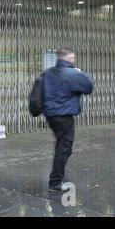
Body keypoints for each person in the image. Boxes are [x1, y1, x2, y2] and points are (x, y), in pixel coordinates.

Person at [43, 48, 93, 191]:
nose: (74, 60)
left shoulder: (48, 73)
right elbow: (88, 87)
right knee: (63, 148)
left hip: (51, 115)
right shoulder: (72, 73)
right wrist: (80, 73)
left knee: (64, 146)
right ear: (68, 59)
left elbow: (39, 91)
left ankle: (59, 171)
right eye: (72, 58)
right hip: (64, 116)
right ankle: (55, 182)